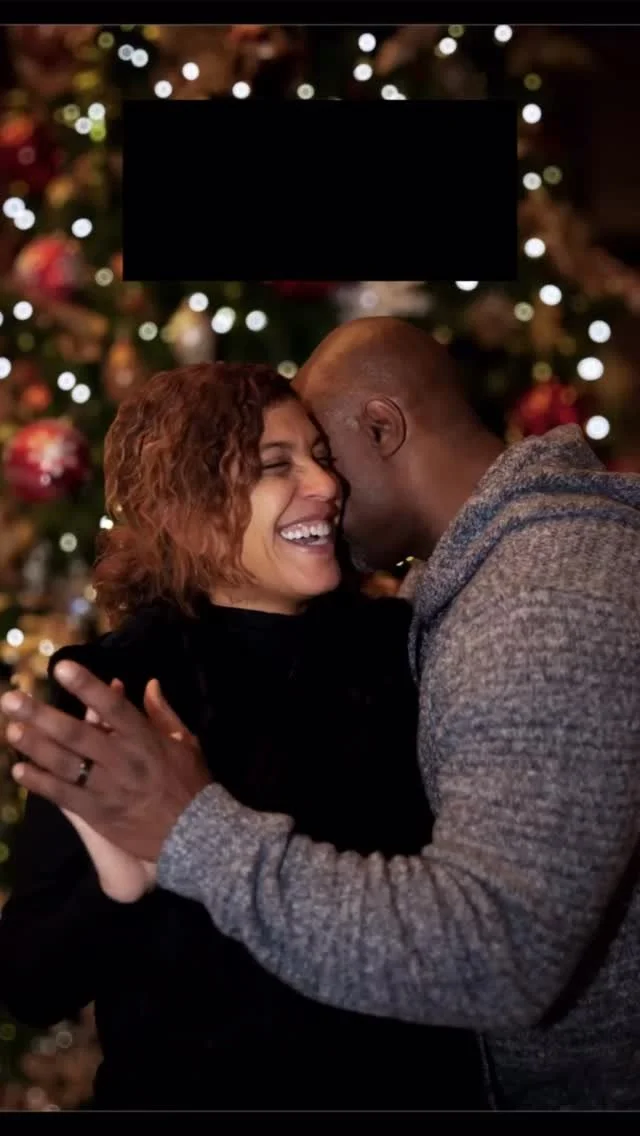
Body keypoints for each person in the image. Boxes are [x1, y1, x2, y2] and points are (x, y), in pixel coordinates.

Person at [5, 317, 640, 1110]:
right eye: (277, 465)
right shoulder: (115, 690)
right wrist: (119, 888)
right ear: (188, 504)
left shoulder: (404, 643)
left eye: (321, 455)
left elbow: (482, 934)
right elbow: (30, 983)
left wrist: (195, 834)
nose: (327, 486)